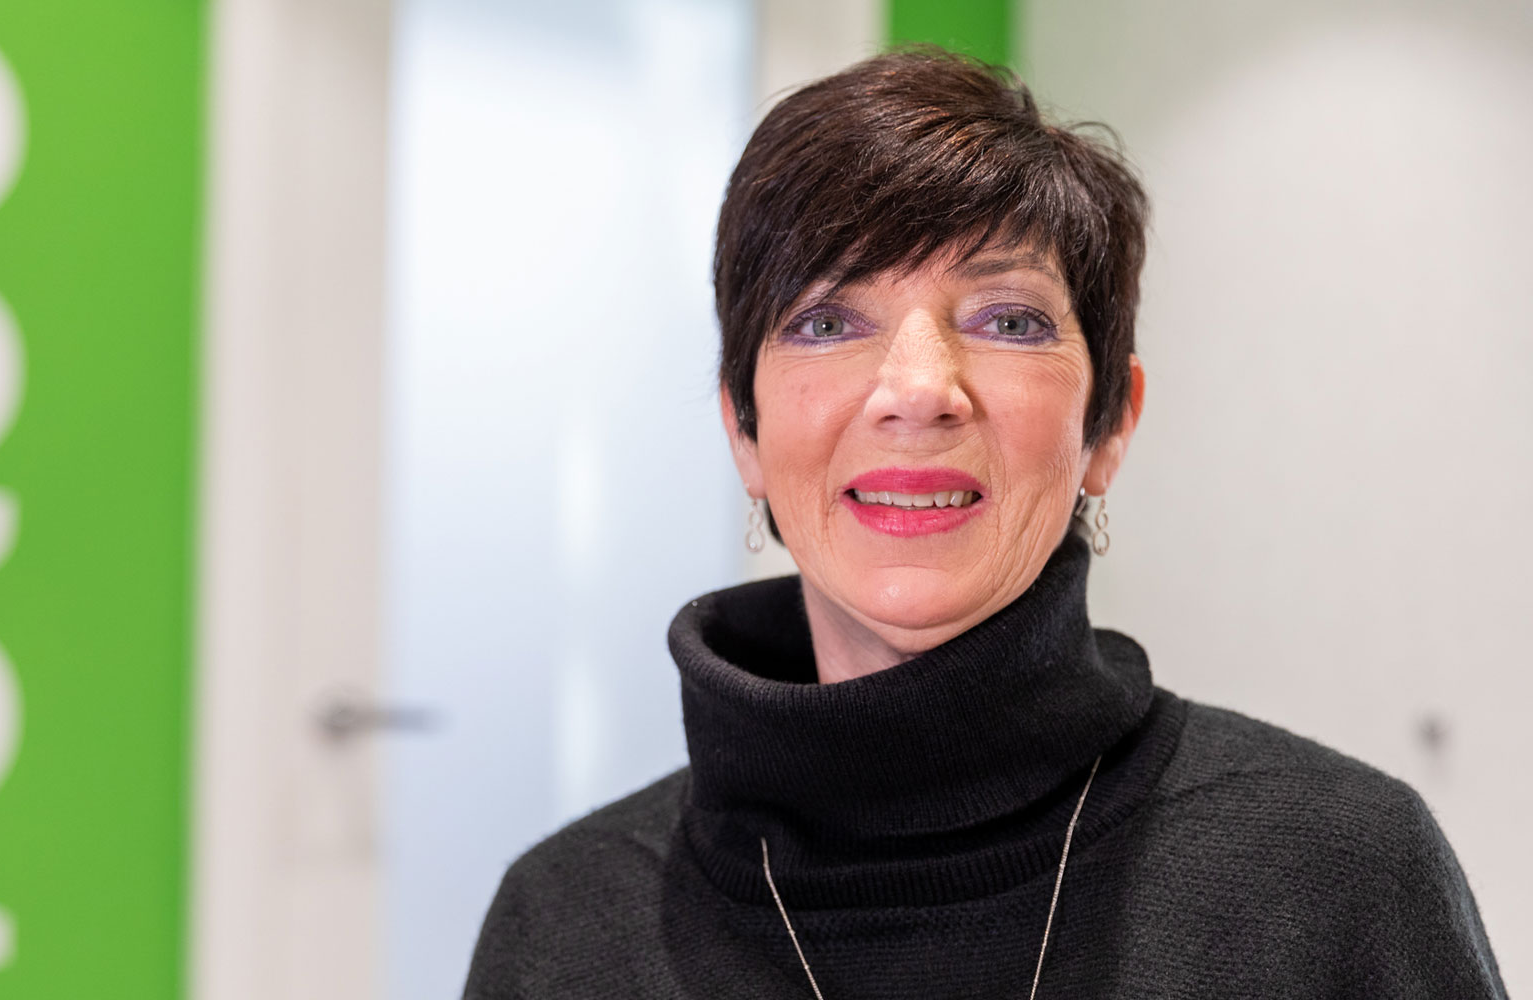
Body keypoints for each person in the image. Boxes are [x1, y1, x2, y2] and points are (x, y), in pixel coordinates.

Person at [461, 48, 1505, 998]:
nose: (918, 388)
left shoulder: (1332, 875)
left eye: (1007, 321)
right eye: (827, 319)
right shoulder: (565, 921)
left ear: (1106, 426)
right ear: (743, 427)